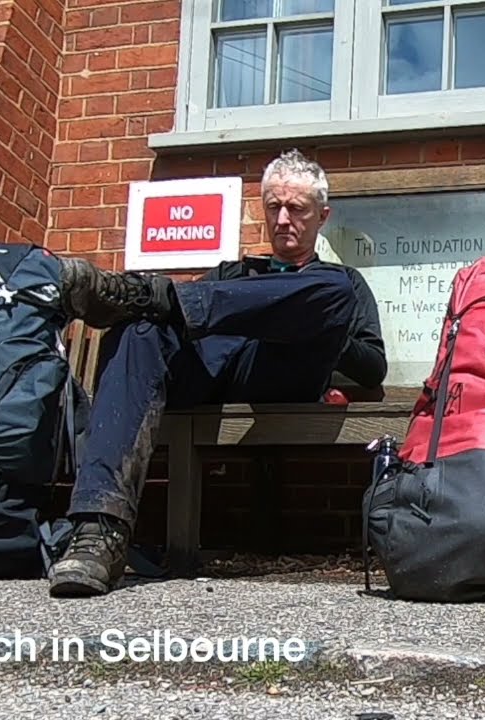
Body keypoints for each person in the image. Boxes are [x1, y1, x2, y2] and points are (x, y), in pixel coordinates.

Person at [47, 149, 386, 597]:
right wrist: (233, 304)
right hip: (211, 373)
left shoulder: (339, 281)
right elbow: (183, 321)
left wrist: (308, 324)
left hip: (282, 374)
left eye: (297, 209)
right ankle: (98, 532)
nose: (283, 219)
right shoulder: (235, 271)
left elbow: (372, 369)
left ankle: (147, 292)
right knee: (140, 328)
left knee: (331, 293)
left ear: (322, 216)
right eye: (274, 207)